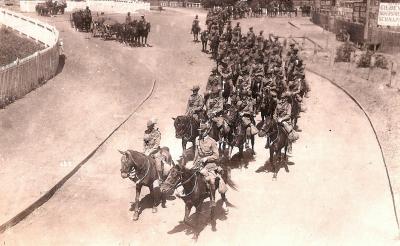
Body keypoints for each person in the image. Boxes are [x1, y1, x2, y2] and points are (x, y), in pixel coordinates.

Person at [194, 123, 225, 207]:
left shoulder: (212, 141)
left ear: (207, 131)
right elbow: (196, 153)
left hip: (210, 164)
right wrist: (194, 163)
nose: (200, 133)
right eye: (200, 131)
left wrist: (206, 158)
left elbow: (216, 156)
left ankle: (212, 199)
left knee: (211, 180)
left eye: (203, 131)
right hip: (199, 164)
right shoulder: (197, 139)